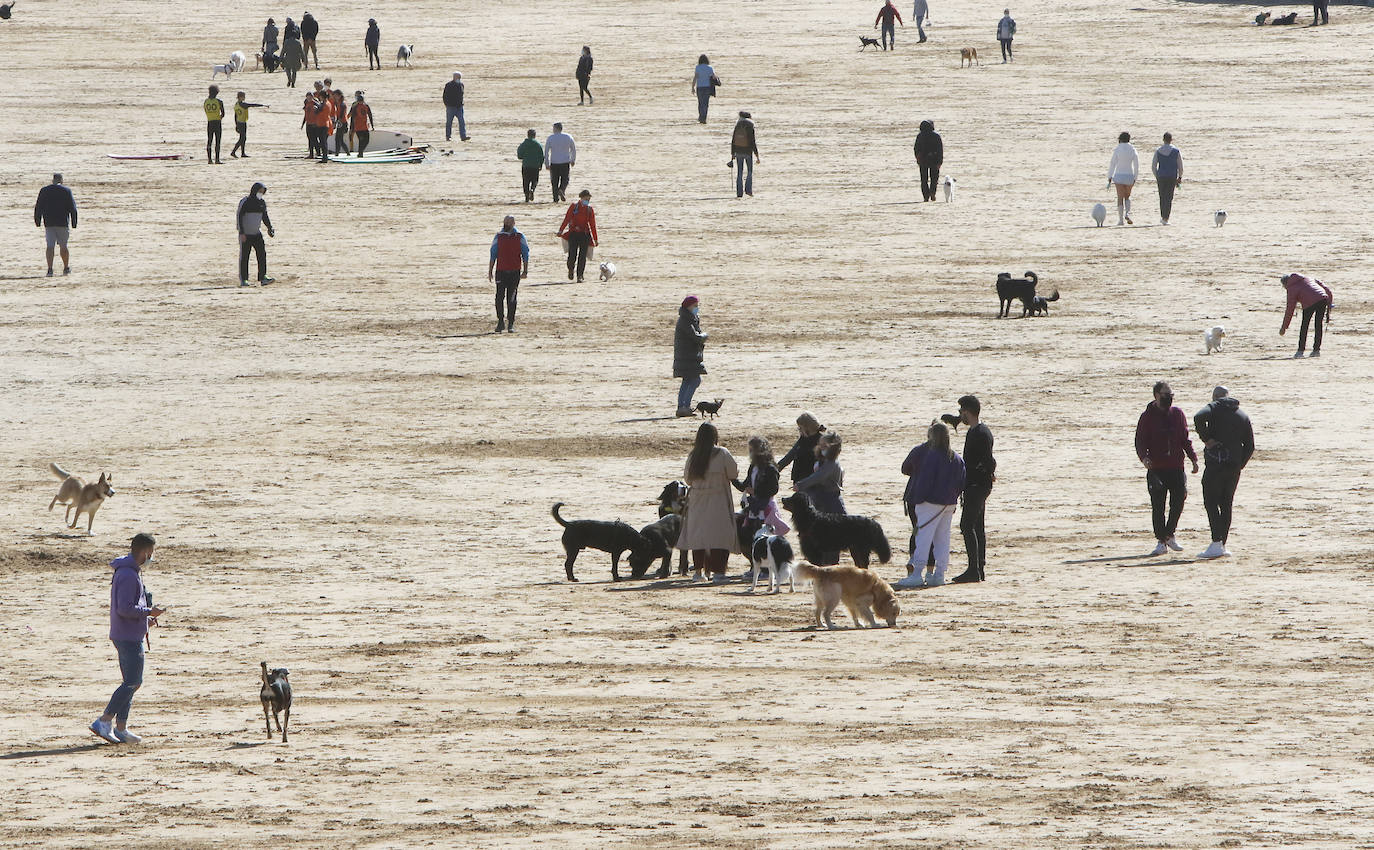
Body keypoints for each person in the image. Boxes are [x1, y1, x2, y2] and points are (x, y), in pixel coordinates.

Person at [89, 533, 165, 745]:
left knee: (130, 683)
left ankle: (121, 728)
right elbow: (125, 608)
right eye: (151, 553)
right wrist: (149, 612)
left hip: (129, 633)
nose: (151, 557)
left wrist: (145, 621)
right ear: (144, 552)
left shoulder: (130, 572)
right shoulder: (128, 575)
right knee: (133, 682)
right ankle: (104, 721)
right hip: (127, 637)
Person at [895, 421, 966, 588]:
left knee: (923, 538)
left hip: (930, 503)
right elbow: (962, 481)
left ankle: (917, 573)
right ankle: (939, 574)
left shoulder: (931, 456)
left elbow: (924, 480)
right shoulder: (955, 457)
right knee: (943, 538)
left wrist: (919, 499)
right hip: (948, 504)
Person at [1135, 382, 1199, 556]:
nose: (1168, 397)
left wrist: (1193, 458)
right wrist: (1144, 457)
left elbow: (1185, 438)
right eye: (1165, 394)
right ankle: (1161, 541)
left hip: (1176, 466)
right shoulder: (1147, 416)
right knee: (1158, 505)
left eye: (1170, 394)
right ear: (1156, 395)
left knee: (1178, 501)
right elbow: (1140, 440)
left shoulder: (1178, 414)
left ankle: (1170, 534)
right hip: (1156, 468)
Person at [1193, 386, 1254, 559]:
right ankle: (1222, 544)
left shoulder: (1214, 407)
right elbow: (1250, 446)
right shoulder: (1242, 415)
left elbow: (1198, 417)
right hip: (1233, 467)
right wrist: (1239, 464)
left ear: (1216, 397)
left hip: (1215, 465)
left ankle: (1216, 542)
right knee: (1227, 504)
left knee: (1211, 501)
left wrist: (1206, 439)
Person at [678, 423, 740, 583]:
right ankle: (718, 572)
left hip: (698, 500)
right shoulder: (722, 453)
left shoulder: (694, 455)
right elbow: (733, 473)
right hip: (718, 499)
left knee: (699, 536)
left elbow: (688, 479)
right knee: (719, 535)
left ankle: (698, 572)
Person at [953, 395, 995, 583]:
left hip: (977, 486)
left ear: (968, 411)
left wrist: (979, 475)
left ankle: (974, 569)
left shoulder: (979, 433)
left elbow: (988, 461)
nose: (960, 415)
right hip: (979, 485)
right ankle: (979, 568)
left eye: (962, 411)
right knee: (977, 526)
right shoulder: (978, 431)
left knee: (967, 525)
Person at [794, 432, 847, 565]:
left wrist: (801, 485)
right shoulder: (824, 461)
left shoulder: (832, 463)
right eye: (821, 445)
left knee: (831, 536)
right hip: (820, 500)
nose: (821, 448)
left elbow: (818, 477)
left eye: (825, 446)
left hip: (830, 502)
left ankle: (830, 565)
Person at [733, 436, 787, 559]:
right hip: (753, 507)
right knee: (747, 537)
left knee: (763, 538)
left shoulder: (770, 468)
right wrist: (732, 478)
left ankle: (764, 568)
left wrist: (756, 491)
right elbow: (744, 486)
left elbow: (774, 489)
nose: (750, 453)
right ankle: (755, 565)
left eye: (752, 450)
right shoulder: (753, 467)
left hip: (765, 508)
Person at [488, 215, 528, 333]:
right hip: (501, 271)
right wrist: (490, 271)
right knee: (499, 297)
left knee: (512, 298)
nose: (506, 224)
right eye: (505, 222)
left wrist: (525, 270)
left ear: (513, 223)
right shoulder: (498, 237)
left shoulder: (520, 237)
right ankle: (500, 322)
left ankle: (511, 323)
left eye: (509, 222)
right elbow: (493, 254)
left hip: (514, 272)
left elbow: (525, 254)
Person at [1279, 273, 1334, 358]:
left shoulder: (1291, 288)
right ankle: (1316, 350)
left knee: (1304, 326)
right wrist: (1329, 305)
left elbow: (1290, 309)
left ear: (1286, 283)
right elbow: (1327, 290)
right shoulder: (1309, 278)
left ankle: (1300, 351)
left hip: (1309, 303)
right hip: (1323, 298)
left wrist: (1284, 327)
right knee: (1318, 325)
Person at [34, 173, 77, 277]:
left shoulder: (44, 190)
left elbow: (38, 206)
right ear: (61, 180)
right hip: (62, 222)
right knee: (63, 246)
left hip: (49, 223)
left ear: (53, 180)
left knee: (50, 246)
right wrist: (74, 222)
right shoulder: (66, 191)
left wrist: (38, 220)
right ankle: (66, 268)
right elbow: (73, 208)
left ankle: (50, 269)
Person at [673, 295, 707, 416]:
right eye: (695, 306)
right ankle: (684, 406)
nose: (697, 308)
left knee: (688, 380)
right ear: (688, 306)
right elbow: (695, 336)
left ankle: (682, 407)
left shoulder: (690, 318)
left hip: (687, 357)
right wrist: (704, 336)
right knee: (694, 380)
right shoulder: (685, 320)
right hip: (687, 357)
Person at [237, 181, 275, 287]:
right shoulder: (245, 202)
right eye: (260, 191)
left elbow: (265, 217)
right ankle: (244, 279)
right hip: (246, 235)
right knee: (245, 257)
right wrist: (242, 232)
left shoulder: (261, 203)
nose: (261, 193)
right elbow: (239, 217)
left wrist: (270, 228)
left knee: (262, 255)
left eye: (263, 192)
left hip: (256, 234)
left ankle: (263, 277)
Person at [557, 189, 598, 283]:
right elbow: (567, 218)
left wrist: (595, 239)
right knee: (572, 255)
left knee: (582, 256)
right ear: (581, 197)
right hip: (573, 234)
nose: (587, 200)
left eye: (588, 199)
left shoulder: (589, 209)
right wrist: (561, 230)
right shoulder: (574, 206)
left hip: (584, 235)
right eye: (586, 198)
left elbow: (592, 225)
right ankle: (571, 269)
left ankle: (580, 275)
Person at [778, 413, 826, 486]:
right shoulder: (802, 440)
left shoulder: (822, 442)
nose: (799, 430)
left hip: (815, 484)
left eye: (800, 428)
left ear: (808, 428)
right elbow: (788, 458)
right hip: (800, 481)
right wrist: (773, 470)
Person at [1108, 131, 1139, 225]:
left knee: (1120, 197)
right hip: (1129, 175)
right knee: (1127, 196)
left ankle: (1121, 220)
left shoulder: (1117, 149)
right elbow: (1136, 164)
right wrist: (1135, 176)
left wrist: (1110, 176)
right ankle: (1127, 213)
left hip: (1119, 175)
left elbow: (1113, 163)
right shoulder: (1132, 149)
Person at [1151, 132, 1182, 225]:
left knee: (1162, 196)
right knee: (1169, 197)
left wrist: (1157, 175)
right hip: (1172, 176)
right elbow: (1180, 166)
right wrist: (1180, 177)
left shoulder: (1158, 150)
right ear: (1171, 140)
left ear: (1163, 140)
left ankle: (1163, 216)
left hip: (1161, 176)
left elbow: (1153, 165)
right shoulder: (1176, 151)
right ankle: (1166, 217)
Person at [731, 111, 760, 198]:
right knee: (749, 171)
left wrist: (732, 153)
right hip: (748, 151)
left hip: (738, 151)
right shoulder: (750, 125)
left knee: (739, 172)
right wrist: (757, 154)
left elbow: (733, 140)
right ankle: (748, 190)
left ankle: (739, 193)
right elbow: (752, 141)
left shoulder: (738, 125)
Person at [544, 122, 576, 203]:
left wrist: (546, 163)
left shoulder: (551, 138)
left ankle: (555, 198)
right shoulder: (568, 137)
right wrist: (573, 160)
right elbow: (573, 149)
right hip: (565, 161)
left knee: (554, 181)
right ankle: (561, 189)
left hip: (554, 162)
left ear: (555, 129)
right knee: (565, 179)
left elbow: (546, 151)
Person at [229, 92, 265, 159]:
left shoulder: (236, 104)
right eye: (243, 96)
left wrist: (236, 125)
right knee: (242, 138)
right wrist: (262, 105)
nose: (244, 97)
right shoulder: (243, 104)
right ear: (240, 97)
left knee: (243, 138)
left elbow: (235, 115)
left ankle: (242, 153)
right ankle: (233, 152)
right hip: (242, 123)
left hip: (239, 122)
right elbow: (252, 105)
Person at [914, 119, 943, 202]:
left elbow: (916, 148)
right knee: (934, 179)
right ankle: (932, 194)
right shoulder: (936, 136)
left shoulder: (920, 136)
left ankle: (926, 196)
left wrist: (917, 157)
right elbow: (940, 149)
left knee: (924, 179)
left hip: (923, 160)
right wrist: (940, 161)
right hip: (934, 159)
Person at [517, 129, 544, 202]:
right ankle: (532, 189)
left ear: (527, 135)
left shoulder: (523, 144)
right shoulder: (538, 144)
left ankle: (526, 196)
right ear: (535, 135)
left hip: (526, 165)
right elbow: (542, 155)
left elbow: (519, 155)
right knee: (535, 180)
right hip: (535, 165)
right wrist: (541, 164)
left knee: (526, 181)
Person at [443, 72, 468, 142]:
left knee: (462, 122)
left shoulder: (461, 85)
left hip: (459, 107)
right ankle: (448, 136)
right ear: (454, 77)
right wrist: (447, 104)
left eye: (460, 78)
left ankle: (463, 136)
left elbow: (461, 95)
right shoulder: (449, 85)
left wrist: (461, 103)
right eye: (458, 77)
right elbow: (445, 96)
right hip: (451, 107)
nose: (459, 79)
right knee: (449, 122)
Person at [204, 85, 225, 164]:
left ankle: (209, 159)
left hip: (209, 122)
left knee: (209, 140)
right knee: (217, 141)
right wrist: (219, 117)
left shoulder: (206, 101)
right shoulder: (219, 101)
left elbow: (205, 110)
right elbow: (223, 113)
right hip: (217, 122)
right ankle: (217, 159)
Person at [692, 55, 716, 123]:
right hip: (707, 87)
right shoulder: (710, 67)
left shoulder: (698, 67)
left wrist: (692, 87)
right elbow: (714, 77)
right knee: (705, 103)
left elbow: (695, 77)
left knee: (700, 102)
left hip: (699, 87)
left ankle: (700, 116)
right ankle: (704, 117)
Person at [348, 91, 372, 157]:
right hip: (358, 127)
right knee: (361, 140)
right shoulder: (355, 106)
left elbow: (370, 115)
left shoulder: (366, 106)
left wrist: (372, 125)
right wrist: (352, 127)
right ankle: (359, 153)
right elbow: (352, 116)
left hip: (364, 126)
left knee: (366, 140)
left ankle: (360, 152)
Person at [330, 89, 350, 156]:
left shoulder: (342, 104)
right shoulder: (338, 103)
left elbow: (341, 115)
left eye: (335, 95)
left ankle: (344, 153)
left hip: (343, 123)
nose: (334, 97)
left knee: (339, 139)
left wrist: (336, 122)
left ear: (339, 95)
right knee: (338, 139)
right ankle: (339, 153)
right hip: (340, 123)